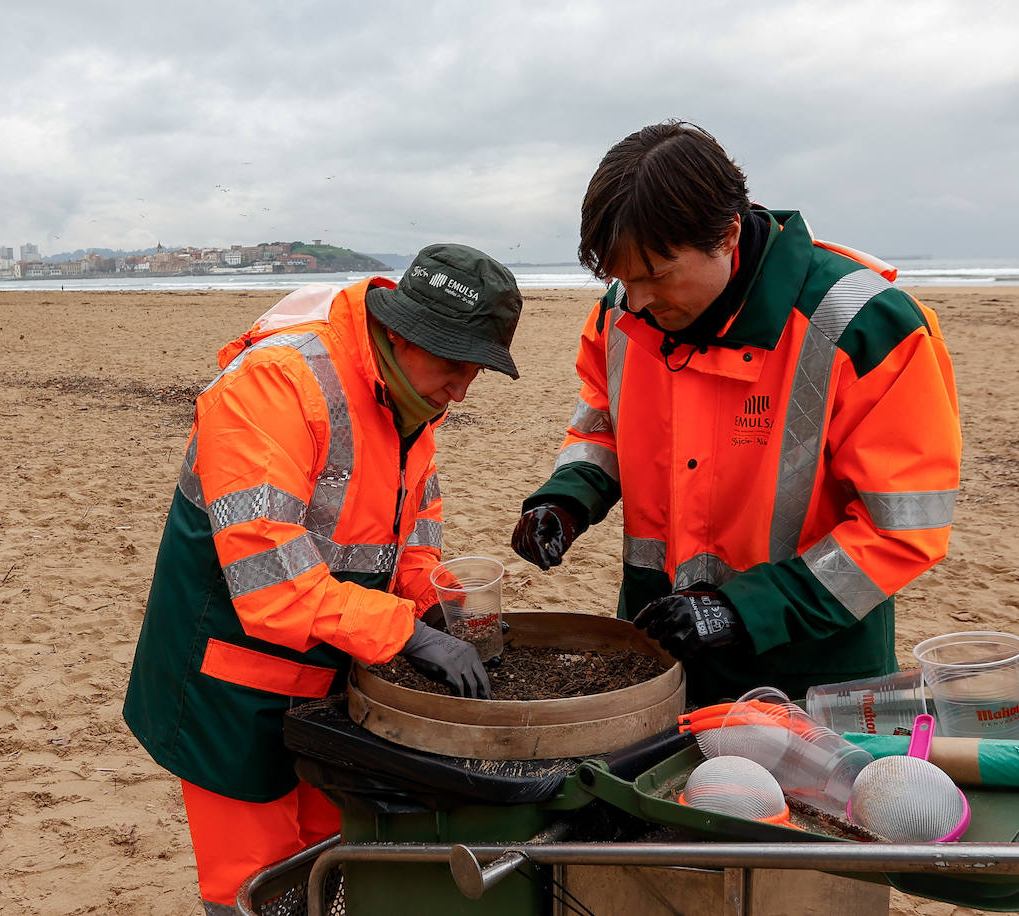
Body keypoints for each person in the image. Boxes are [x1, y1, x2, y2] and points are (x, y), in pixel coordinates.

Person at [124, 244, 523, 914]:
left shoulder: (410, 401)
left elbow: (414, 526)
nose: (462, 388)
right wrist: (411, 636)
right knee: (254, 888)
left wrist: (435, 604)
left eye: (476, 369)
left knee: (325, 862)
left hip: (331, 669)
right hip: (229, 681)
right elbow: (270, 584)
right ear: (401, 334)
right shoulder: (276, 384)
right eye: (453, 363)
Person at [511, 120, 961, 707]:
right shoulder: (620, 317)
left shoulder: (866, 328)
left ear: (726, 235)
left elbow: (901, 529)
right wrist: (566, 500)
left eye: (655, 274)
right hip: (658, 647)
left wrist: (739, 610)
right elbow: (602, 428)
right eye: (621, 277)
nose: (637, 300)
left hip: (810, 670)